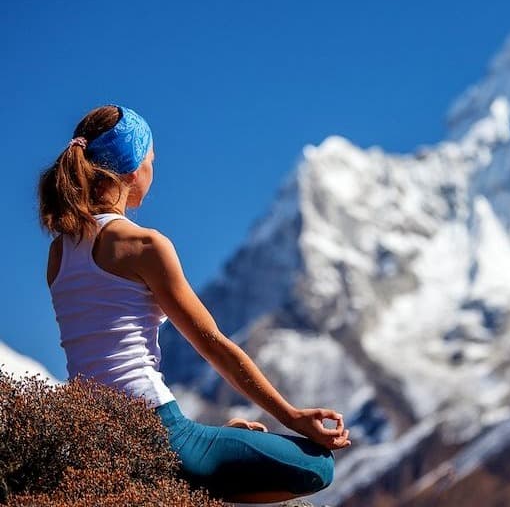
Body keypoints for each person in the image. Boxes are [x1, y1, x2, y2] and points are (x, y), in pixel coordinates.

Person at [39, 104, 351, 504]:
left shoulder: (58, 256)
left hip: (89, 437)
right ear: (133, 171)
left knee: (224, 447)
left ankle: (215, 457)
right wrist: (291, 416)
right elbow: (212, 343)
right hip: (157, 429)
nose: (154, 168)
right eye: (151, 159)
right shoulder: (145, 245)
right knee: (317, 466)